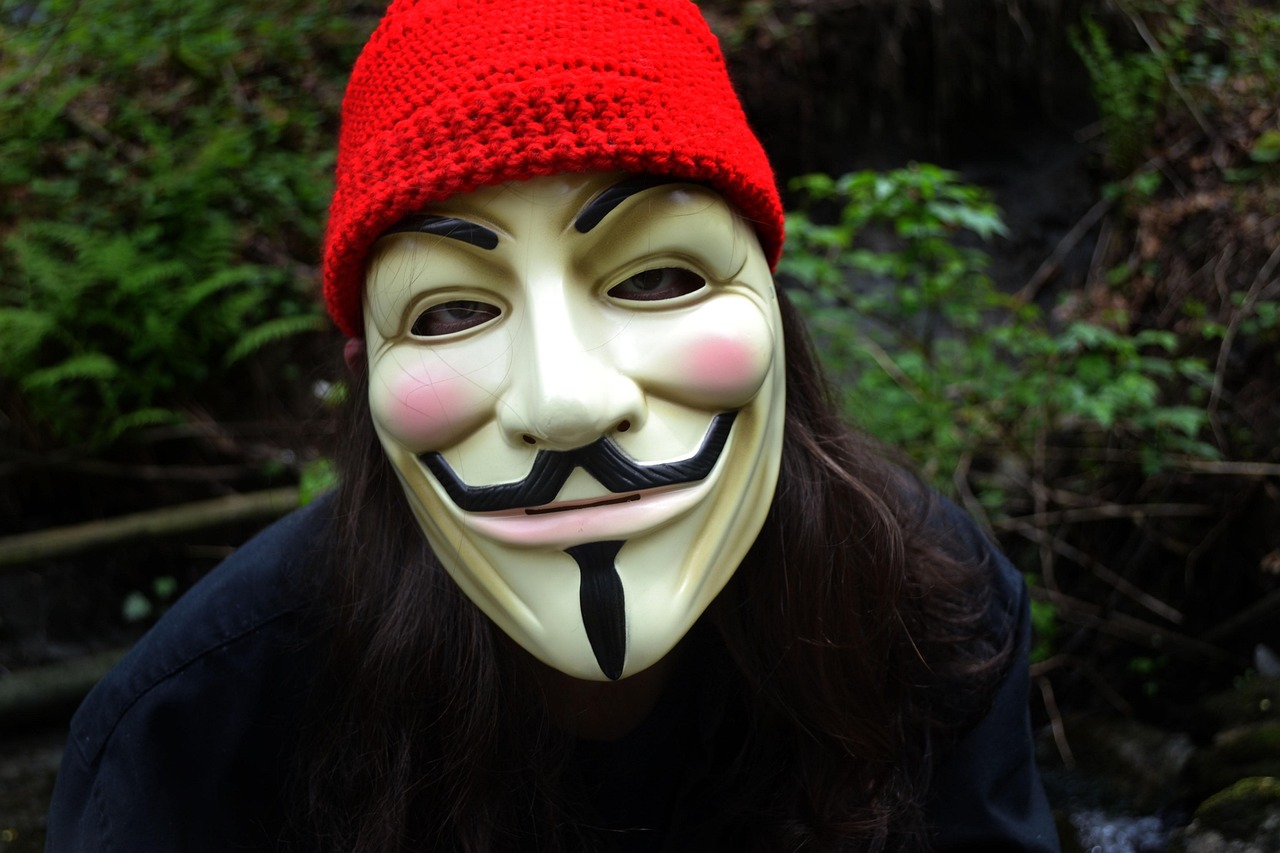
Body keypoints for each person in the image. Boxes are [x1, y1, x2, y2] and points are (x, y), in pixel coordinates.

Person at [46, 0, 1060, 850]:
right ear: (362, 373)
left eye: (656, 278)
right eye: (451, 310)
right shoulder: (190, 734)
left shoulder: (930, 612)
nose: (565, 404)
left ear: (773, 309)